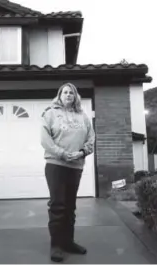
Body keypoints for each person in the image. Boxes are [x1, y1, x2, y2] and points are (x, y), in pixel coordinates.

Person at [40, 82, 95, 262]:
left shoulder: (83, 116)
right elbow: (45, 140)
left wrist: (82, 152)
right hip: (56, 164)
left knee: (70, 206)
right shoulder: (50, 113)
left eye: (71, 92)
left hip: (76, 166)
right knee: (58, 205)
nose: (68, 95)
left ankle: (68, 242)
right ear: (59, 95)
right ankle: (56, 245)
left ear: (76, 96)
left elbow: (91, 138)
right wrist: (62, 154)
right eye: (65, 92)